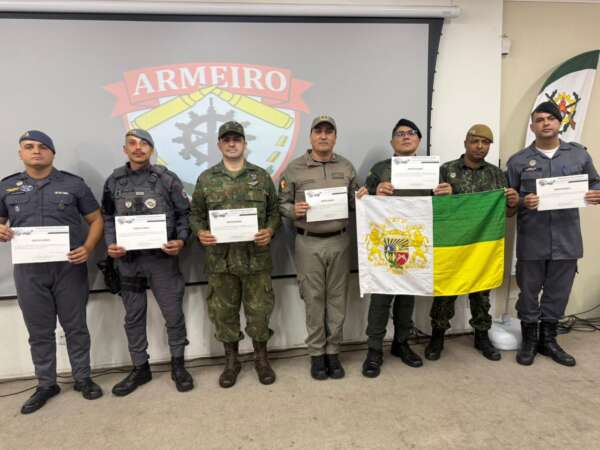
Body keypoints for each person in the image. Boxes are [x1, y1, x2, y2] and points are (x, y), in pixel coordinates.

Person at [0, 130, 104, 414]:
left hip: (68, 268)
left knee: (76, 327)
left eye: (43, 147)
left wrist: (88, 247)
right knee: (39, 331)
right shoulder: (6, 187)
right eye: (29, 146)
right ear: (20, 153)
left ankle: (83, 378)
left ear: (52, 153)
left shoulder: (73, 184)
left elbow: (96, 220)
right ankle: (46, 384)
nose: (36, 151)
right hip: (29, 272)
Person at [506, 101, 600, 367]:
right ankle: (529, 340)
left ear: (560, 122)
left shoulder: (578, 156)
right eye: (539, 119)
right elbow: (508, 202)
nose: (545, 123)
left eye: (550, 118)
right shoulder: (518, 161)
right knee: (528, 292)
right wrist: (522, 201)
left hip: (567, 239)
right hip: (532, 239)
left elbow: (595, 182)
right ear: (532, 126)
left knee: (558, 292)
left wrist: (596, 193)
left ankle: (548, 340)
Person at [356, 119, 452, 378]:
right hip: (387, 241)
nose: (406, 137)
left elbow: (443, 207)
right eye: (400, 134)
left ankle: (401, 343)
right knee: (381, 296)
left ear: (418, 140)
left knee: (408, 295)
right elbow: (363, 198)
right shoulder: (380, 169)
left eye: (411, 133)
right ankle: (374, 349)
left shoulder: (433, 170)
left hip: (417, 243)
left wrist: (448, 193)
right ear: (392, 142)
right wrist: (374, 190)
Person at [102, 129, 194, 395]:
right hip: (129, 262)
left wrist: (181, 241)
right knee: (133, 317)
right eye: (132, 143)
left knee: (173, 314)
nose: (138, 148)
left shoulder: (166, 179)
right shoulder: (113, 181)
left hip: (161, 260)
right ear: (125, 149)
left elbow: (184, 214)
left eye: (144, 144)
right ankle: (140, 368)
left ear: (151, 150)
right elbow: (107, 217)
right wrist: (111, 244)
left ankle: (178, 365)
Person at [191, 121, 280, 387]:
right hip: (221, 262)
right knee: (223, 314)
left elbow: (274, 212)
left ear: (244, 143)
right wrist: (200, 232)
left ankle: (261, 359)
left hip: (256, 260)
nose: (232, 144)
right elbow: (195, 215)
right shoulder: (206, 179)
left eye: (236, 139)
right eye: (226, 139)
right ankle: (232, 362)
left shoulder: (261, 177)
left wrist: (270, 230)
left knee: (259, 312)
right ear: (219, 144)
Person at [424, 124, 518, 362]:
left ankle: (481, 336)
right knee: (446, 292)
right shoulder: (447, 170)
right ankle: (437, 336)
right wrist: (442, 196)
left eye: (485, 142)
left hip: (482, 245)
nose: (479, 146)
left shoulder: (497, 174)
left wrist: (512, 203)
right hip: (452, 244)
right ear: (465, 142)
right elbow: (432, 208)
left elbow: (506, 214)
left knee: (481, 292)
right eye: (475, 141)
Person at [278, 115, 359, 380]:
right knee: (313, 299)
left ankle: (333, 352)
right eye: (318, 131)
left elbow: (354, 202)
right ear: (311, 136)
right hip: (308, 241)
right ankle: (316, 353)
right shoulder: (294, 169)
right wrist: (293, 210)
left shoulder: (346, 167)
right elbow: (281, 203)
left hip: (339, 241)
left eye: (329, 132)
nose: (323, 136)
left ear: (335, 137)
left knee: (337, 299)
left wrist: (363, 197)